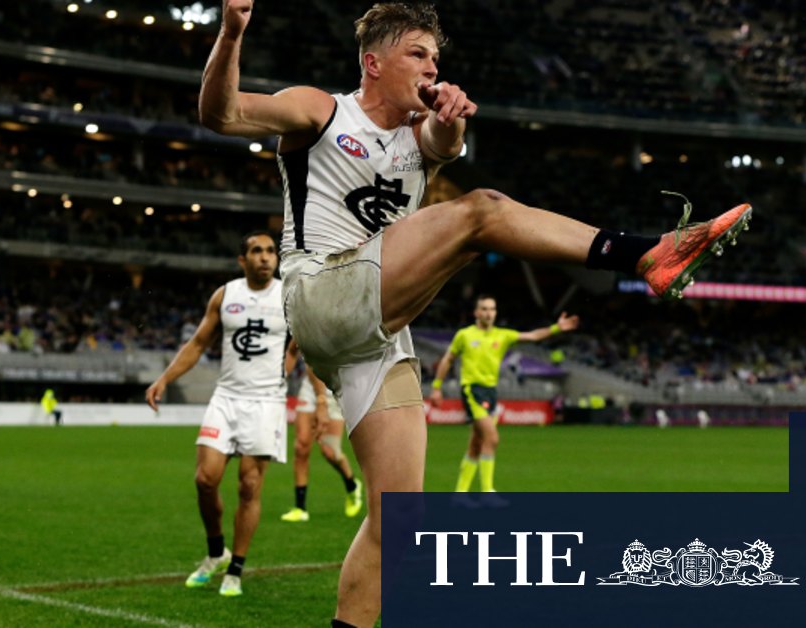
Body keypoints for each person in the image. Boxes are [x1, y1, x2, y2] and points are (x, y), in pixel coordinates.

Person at [199, 3, 751, 623]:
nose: (433, 66)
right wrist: (232, 33)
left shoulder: (419, 135)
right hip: (322, 290)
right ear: (372, 62)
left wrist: (450, 122)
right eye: (419, 54)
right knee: (483, 210)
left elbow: (440, 143)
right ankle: (647, 253)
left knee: (399, 522)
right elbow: (221, 113)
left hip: (377, 336)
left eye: (437, 57)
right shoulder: (323, 110)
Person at [146, 231, 296, 597]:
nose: (265, 257)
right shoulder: (225, 295)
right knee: (205, 479)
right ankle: (216, 552)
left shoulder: (289, 297)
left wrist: (285, 371)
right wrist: (165, 378)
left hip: (265, 402)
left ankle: (236, 570)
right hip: (226, 397)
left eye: (270, 251)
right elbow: (198, 343)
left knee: (249, 485)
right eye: (256, 252)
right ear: (242, 260)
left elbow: (302, 344)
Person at [430, 295, 578, 494]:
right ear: (476, 312)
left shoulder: (503, 335)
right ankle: (487, 490)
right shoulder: (464, 335)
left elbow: (532, 336)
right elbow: (448, 359)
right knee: (492, 438)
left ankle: (460, 493)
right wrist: (437, 386)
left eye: (492, 309)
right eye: (484, 309)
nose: (488, 313)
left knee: (477, 443)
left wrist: (556, 328)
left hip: (491, 391)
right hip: (472, 390)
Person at [280, 365, 364, 523]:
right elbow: (293, 350)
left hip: (337, 390)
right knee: (301, 446)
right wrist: (280, 376)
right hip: (310, 387)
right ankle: (300, 508)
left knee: (330, 451)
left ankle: (352, 485)